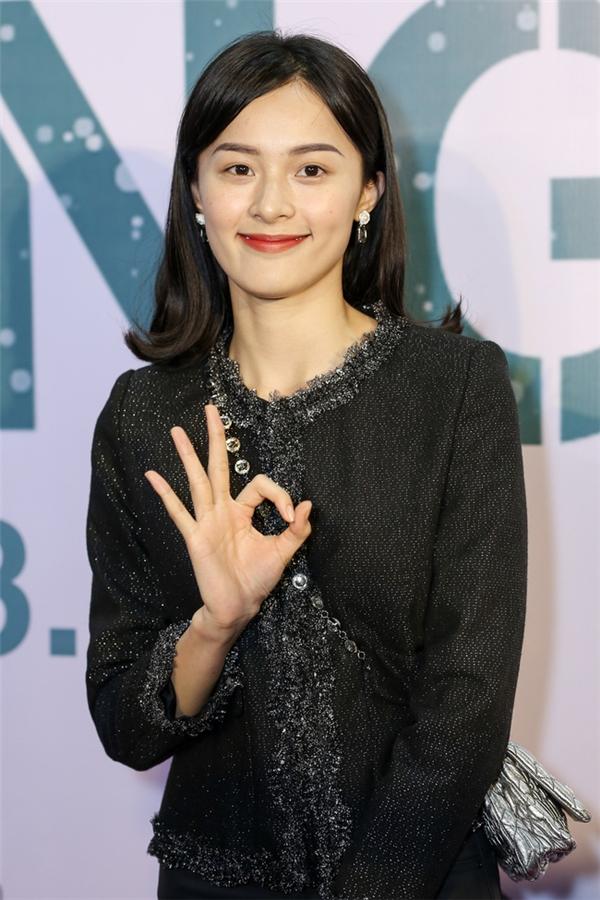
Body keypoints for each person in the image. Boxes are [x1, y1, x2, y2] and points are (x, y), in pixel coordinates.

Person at [85, 30, 527, 900]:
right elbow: (124, 723)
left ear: (368, 191)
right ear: (197, 192)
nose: (271, 204)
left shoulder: (454, 389)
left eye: (312, 169)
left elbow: (468, 700)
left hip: (423, 878)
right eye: (237, 168)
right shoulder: (142, 416)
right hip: (214, 880)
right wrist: (214, 626)